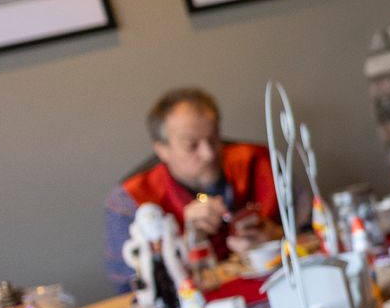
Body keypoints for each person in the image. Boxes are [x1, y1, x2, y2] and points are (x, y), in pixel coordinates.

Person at [105, 87, 278, 289]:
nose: (209, 154)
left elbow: (307, 231)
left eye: (214, 139)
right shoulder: (129, 200)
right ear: (162, 150)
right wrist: (184, 246)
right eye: (191, 145)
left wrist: (276, 239)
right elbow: (129, 286)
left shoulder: (259, 163)